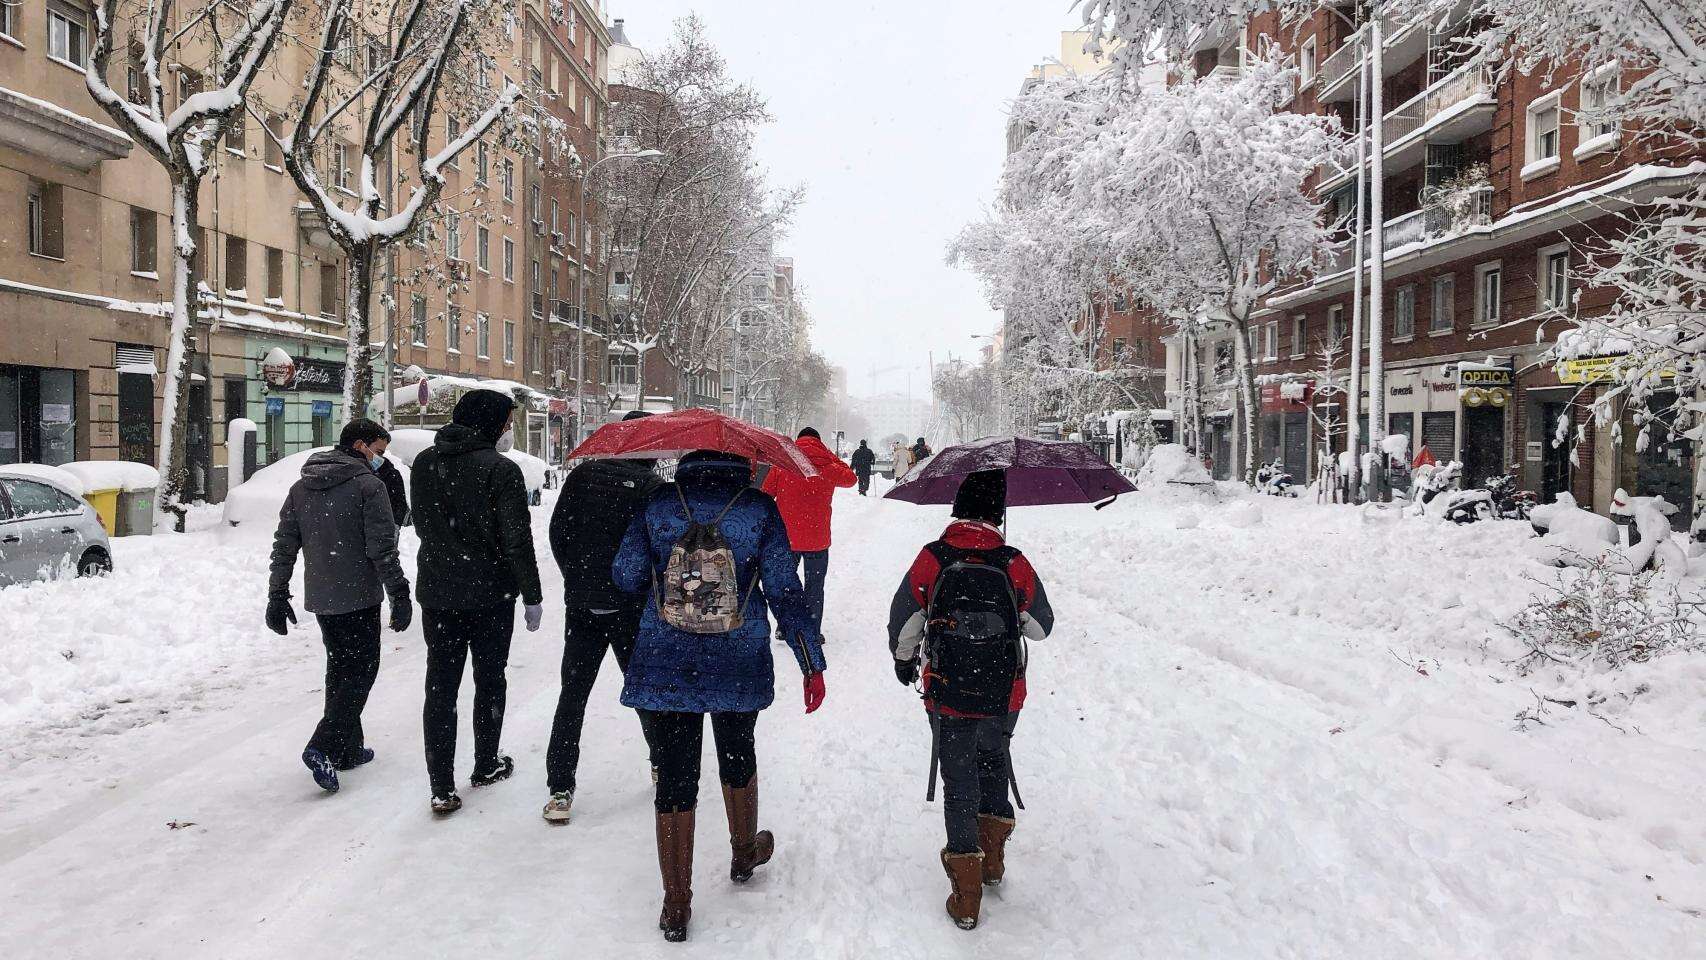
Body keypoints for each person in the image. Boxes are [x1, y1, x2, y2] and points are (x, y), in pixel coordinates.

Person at [613, 450, 827, 943]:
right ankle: (743, 851)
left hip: (666, 660)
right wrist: (810, 661)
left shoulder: (658, 503)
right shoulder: (758, 509)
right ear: (740, 463)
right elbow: (782, 590)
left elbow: (624, 575)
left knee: (675, 772)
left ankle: (676, 902)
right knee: (737, 751)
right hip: (738, 659)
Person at [886, 469, 1053, 931]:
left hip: (947, 689)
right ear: (997, 514)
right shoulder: (1012, 560)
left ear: (956, 509)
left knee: (959, 777)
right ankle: (994, 859)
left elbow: (905, 620)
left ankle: (966, 894)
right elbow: (1042, 627)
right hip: (1003, 691)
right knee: (994, 759)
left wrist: (903, 662)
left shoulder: (934, 556)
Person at [411, 389, 544, 816]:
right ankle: (485, 764)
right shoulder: (499, 471)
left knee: (440, 686)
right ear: (487, 422)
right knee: (490, 679)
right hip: (490, 595)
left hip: (438, 591)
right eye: (506, 423)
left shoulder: (425, 464)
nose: (508, 430)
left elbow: (423, 525)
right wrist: (533, 595)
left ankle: (441, 785)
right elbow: (516, 540)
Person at [266, 418, 412, 794]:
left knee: (340, 668)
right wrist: (399, 594)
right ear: (361, 446)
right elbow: (382, 548)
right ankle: (323, 745)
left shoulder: (301, 487)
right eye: (378, 451)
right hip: (360, 596)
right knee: (361, 672)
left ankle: (347, 748)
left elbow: (285, 546)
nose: (381, 459)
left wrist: (277, 594)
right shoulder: (368, 486)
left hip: (323, 597)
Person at [542, 410, 660, 823]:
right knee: (643, 689)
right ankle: (661, 762)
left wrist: (576, 578)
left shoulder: (581, 476)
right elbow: (658, 550)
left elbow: (558, 532)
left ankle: (560, 787)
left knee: (572, 695)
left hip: (583, 606)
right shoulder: (651, 487)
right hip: (630, 607)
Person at [760, 427, 856, 635]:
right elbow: (851, 479)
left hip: (786, 539)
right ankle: (811, 629)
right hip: (817, 539)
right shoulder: (828, 466)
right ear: (820, 443)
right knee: (814, 586)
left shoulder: (783, 465)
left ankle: (784, 627)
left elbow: (766, 493)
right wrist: (829, 455)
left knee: (786, 583)